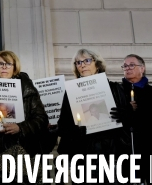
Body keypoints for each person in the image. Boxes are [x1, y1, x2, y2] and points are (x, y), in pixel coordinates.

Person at [56, 48, 131, 184]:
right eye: (78, 63)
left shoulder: (115, 89)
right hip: (83, 156)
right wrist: (74, 130)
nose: (82, 65)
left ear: (97, 64)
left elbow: (132, 122)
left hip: (112, 154)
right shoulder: (70, 93)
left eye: (87, 60)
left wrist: (125, 116)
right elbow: (62, 126)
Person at [0, 50, 49, 184]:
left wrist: (20, 127)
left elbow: (41, 119)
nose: (4, 67)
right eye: (0, 63)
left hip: (25, 150)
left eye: (8, 64)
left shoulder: (28, 90)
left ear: (15, 67)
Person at [120, 54, 152, 180]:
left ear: (142, 68)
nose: (128, 68)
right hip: (125, 152)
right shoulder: (118, 92)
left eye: (132, 65)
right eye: (125, 66)